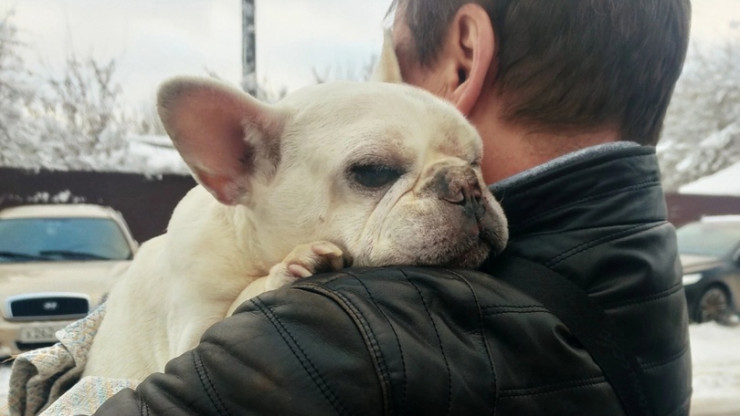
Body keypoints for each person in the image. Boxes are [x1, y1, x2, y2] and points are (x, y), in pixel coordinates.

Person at [76, 0, 694, 414]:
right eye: (375, 172)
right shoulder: (637, 262)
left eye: (470, 168)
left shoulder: (322, 335)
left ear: (463, 56)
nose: (464, 191)